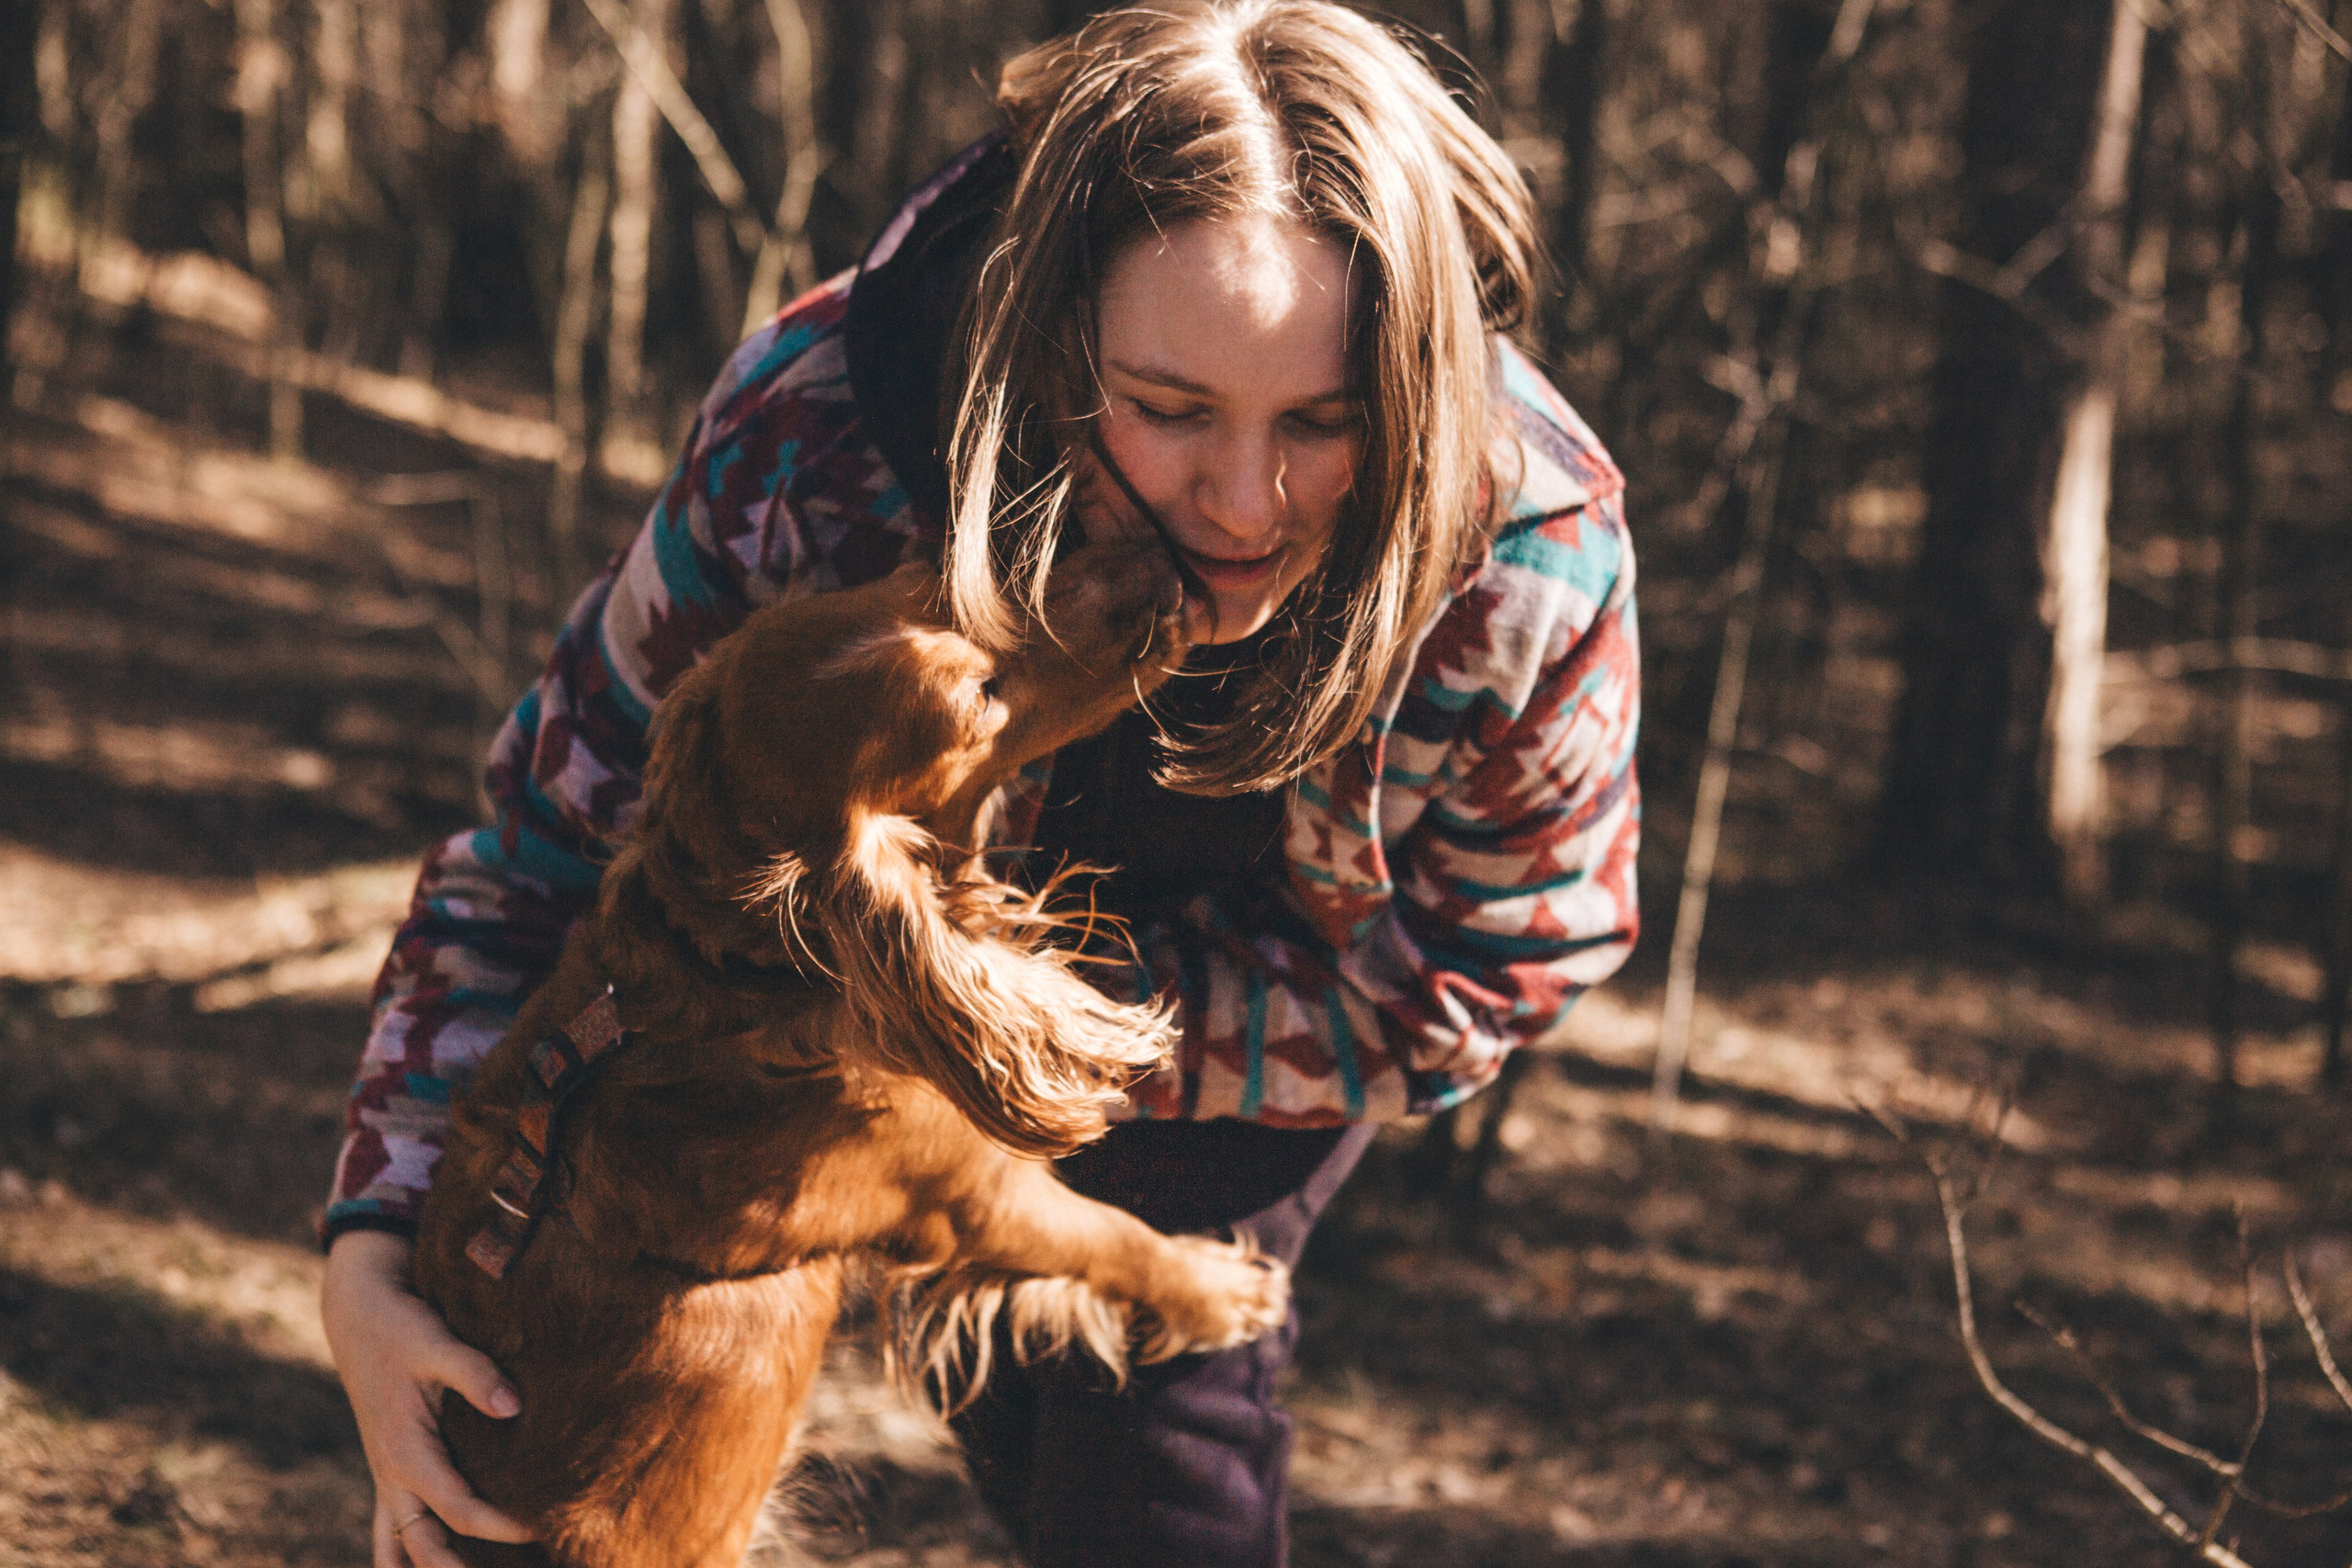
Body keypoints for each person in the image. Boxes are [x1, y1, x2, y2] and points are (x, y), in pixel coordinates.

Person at [319, 4, 1640, 1565]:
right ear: (1045, 330)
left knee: (1153, 1465)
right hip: (765, 1075)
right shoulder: (813, 432)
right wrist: (371, 1242)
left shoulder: (1531, 549)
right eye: (1165, 408)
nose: (1241, 503)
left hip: (1217, 1063)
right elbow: (541, 857)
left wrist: (1009, 1058)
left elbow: (1505, 957)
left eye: (1327, 422)